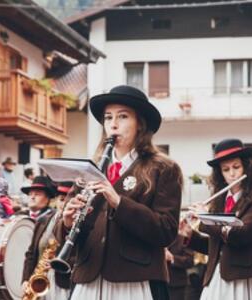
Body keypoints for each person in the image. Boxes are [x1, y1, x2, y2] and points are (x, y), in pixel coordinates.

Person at [56, 85, 183, 299]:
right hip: (89, 278)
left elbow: (166, 231)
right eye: (108, 118)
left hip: (135, 280)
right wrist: (67, 222)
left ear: (140, 124)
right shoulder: (90, 169)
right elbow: (62, 234)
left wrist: (118, 202)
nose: (113, 125)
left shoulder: (164, 169)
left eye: (123, 117)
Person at [180, 138, 252, 299]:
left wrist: (205, 218)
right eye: (225, 169)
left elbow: (240, 235)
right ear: (220, 174)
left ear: (246, 167)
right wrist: (190, 235)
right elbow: (216, 246)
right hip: (217, 278)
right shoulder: (219, 200)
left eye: (236, 167)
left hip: (245, 278)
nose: (232, 173)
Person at [22, 178, 70, 300]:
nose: (64, 204)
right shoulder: (43, 220)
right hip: (38, 282)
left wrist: (59, 264)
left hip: (62, 284)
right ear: (56, 200)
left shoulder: (80, 224)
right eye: (62, 199)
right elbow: (31, 253)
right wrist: (26, 279)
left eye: (69, 200)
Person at [166, 233, 194, 300]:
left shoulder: (184, 238)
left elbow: (189, 261)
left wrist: (172, 258)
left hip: (177, 285)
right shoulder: (160, 236)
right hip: (160, 282)